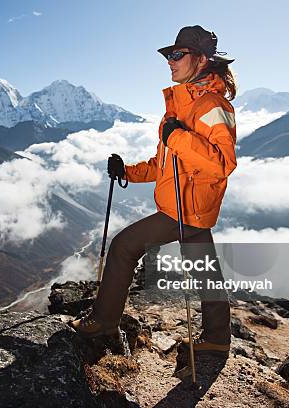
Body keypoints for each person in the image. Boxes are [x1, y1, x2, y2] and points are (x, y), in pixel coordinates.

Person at [71, 25, 237, 353]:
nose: (170, 61)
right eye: (168, 55)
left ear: (202, 60)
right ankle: (217, 337)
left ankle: (104, 321)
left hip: (186, 208)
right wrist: (127, 172)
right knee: (205, 269)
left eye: (178, 55)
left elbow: (222, 163)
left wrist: (177, 137)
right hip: (191, 206)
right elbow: (166, 164)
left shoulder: (211, 106)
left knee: (123, 247)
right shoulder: (182, 105)